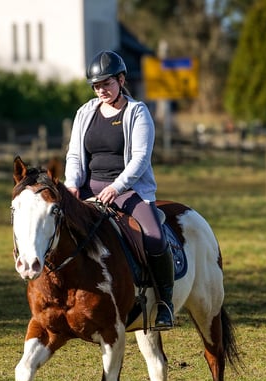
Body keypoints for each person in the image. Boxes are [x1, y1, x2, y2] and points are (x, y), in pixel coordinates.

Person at [64, 50, 174, 330]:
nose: (101, 90)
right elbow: (75, 155)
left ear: (121, 80)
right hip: (89, 186)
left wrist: (116, 187)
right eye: (97, 85)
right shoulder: (85, 113)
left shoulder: (137, 113)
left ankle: (164, 304)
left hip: (129, 189)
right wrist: (72, 185)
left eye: (107, 83)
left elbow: (140, 159)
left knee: (153, 237)